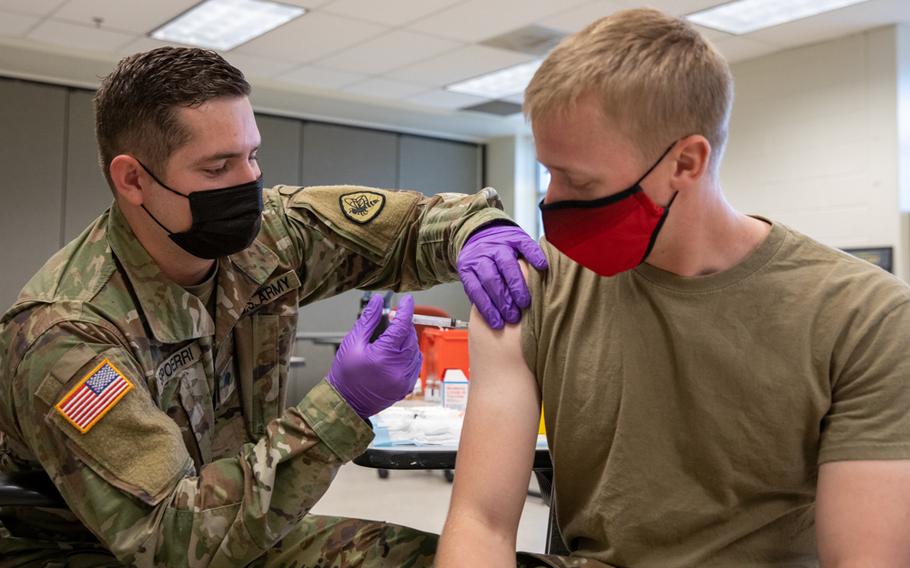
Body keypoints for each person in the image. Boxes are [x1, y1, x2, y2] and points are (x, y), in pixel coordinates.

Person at [0, 46, 548, 567]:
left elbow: (407, 228)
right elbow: (173, 542)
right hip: (103, 551)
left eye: (252, 155)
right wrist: (342, 405)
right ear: (133, 179)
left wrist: (476, 231)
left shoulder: (268, 238)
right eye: (217, 169)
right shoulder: (68, 335)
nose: (250, 183)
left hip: (241, 532)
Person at [438, 8, 910, 568]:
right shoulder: (525, 285)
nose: (552, 203)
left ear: (686, 161)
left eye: (581, 181)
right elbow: (481, 524)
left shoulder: (866, 317)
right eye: (549, 173)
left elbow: (863, 560)